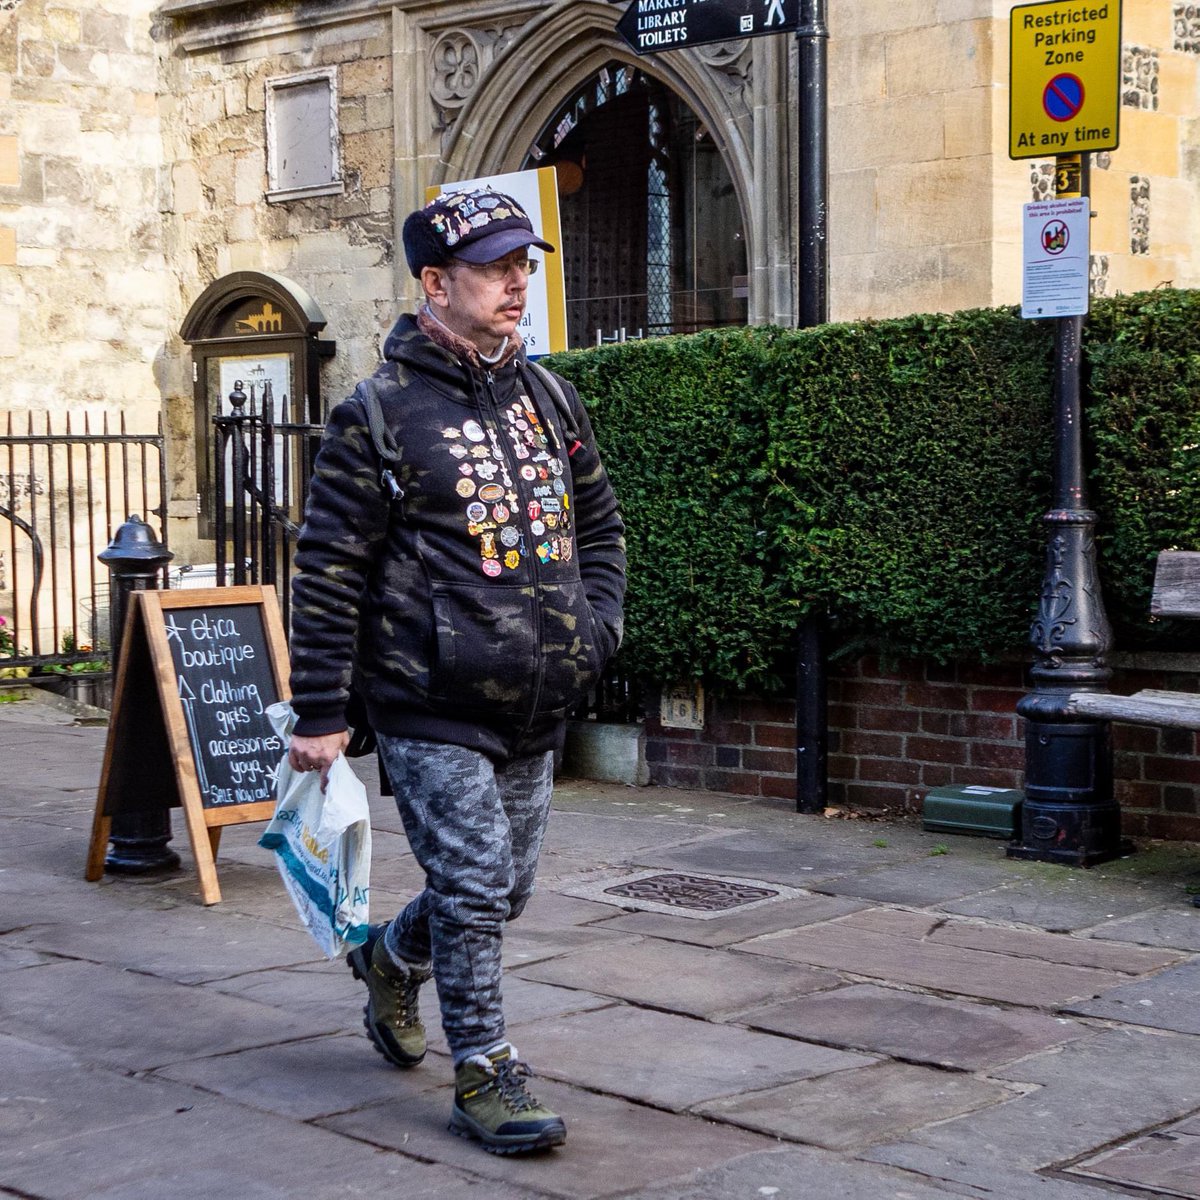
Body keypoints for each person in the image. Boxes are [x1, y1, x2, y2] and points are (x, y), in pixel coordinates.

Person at [285, 186, 626, 1155]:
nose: (518, 283)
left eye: (525, 265)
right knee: (474, 882)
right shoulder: (378, 417)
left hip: (536, 699)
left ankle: (392, 959)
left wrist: (596, 628)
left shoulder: (550, 397)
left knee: (504, 888)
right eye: (496, 268)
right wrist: (321, 711)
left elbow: (600, 527)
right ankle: (484, 1069)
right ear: (436, 285)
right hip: (428, 701)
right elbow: (326, 568)